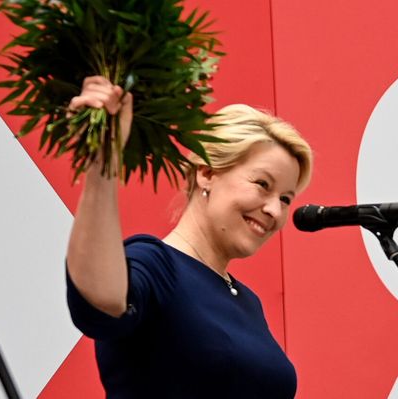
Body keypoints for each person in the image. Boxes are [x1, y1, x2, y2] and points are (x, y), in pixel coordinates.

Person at [64, 76, 312, 398]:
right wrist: (102, 163)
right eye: (263, 184)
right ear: (207, 173)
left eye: (285, 199)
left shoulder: (248, 301)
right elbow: (100, 299)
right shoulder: (154, 264)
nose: (275, 212)